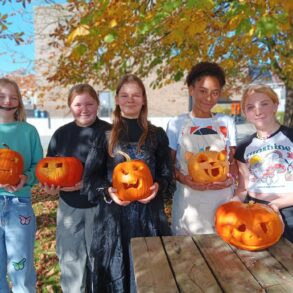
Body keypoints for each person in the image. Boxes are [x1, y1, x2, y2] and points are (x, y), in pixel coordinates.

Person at [82, 74, 174, 292]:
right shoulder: (103, 136)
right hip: (114, 220)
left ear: (143, 99)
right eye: (124, 95)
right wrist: (108, 192)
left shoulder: (157, 135)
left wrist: (158, 187)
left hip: (149, 218)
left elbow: (166, 174)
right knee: (116, 274)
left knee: (151, 274)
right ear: (116, 100)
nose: (130, 99)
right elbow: (90, 179)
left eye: (135, 95)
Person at [41, 84, 111, 292]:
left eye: (90, 103)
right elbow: (49, 168)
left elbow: (118, 171)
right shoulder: (61, 134)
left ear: (98, 104)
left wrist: (91, 183)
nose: (84, 109)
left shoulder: (109, 132)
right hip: (69, 208)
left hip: (101, 208)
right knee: (71, 259)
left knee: (99, 261)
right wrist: (51, 188)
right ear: (70, 106)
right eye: (78, 104)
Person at [166, 62, 237, 235]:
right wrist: (183, 178)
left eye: (214, 93)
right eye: (203, 91)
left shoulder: (226, 122)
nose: (208, 98)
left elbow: (232, 162)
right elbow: (168, 165)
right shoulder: (177, 124)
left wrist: (230, 179)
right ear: (191, 90)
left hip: (222, 200)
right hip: (189, 203)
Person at [234, 84, 293, 242]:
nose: (258, 111)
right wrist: (230, 207)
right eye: (251, 107)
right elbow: (243, 188)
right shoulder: (243, 147)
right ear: (246, 113)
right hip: (254, 215)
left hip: (289, 213)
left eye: (264, 104)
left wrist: (276, 205)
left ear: (275, 105)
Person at [0, 78, 43, 293]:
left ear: (19, 102)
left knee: (21, 268)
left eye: (13, 97)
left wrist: (25, 178)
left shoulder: (29, 131)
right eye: (2, 96)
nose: (7, 101)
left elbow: (39, 166)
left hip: (19, 204)